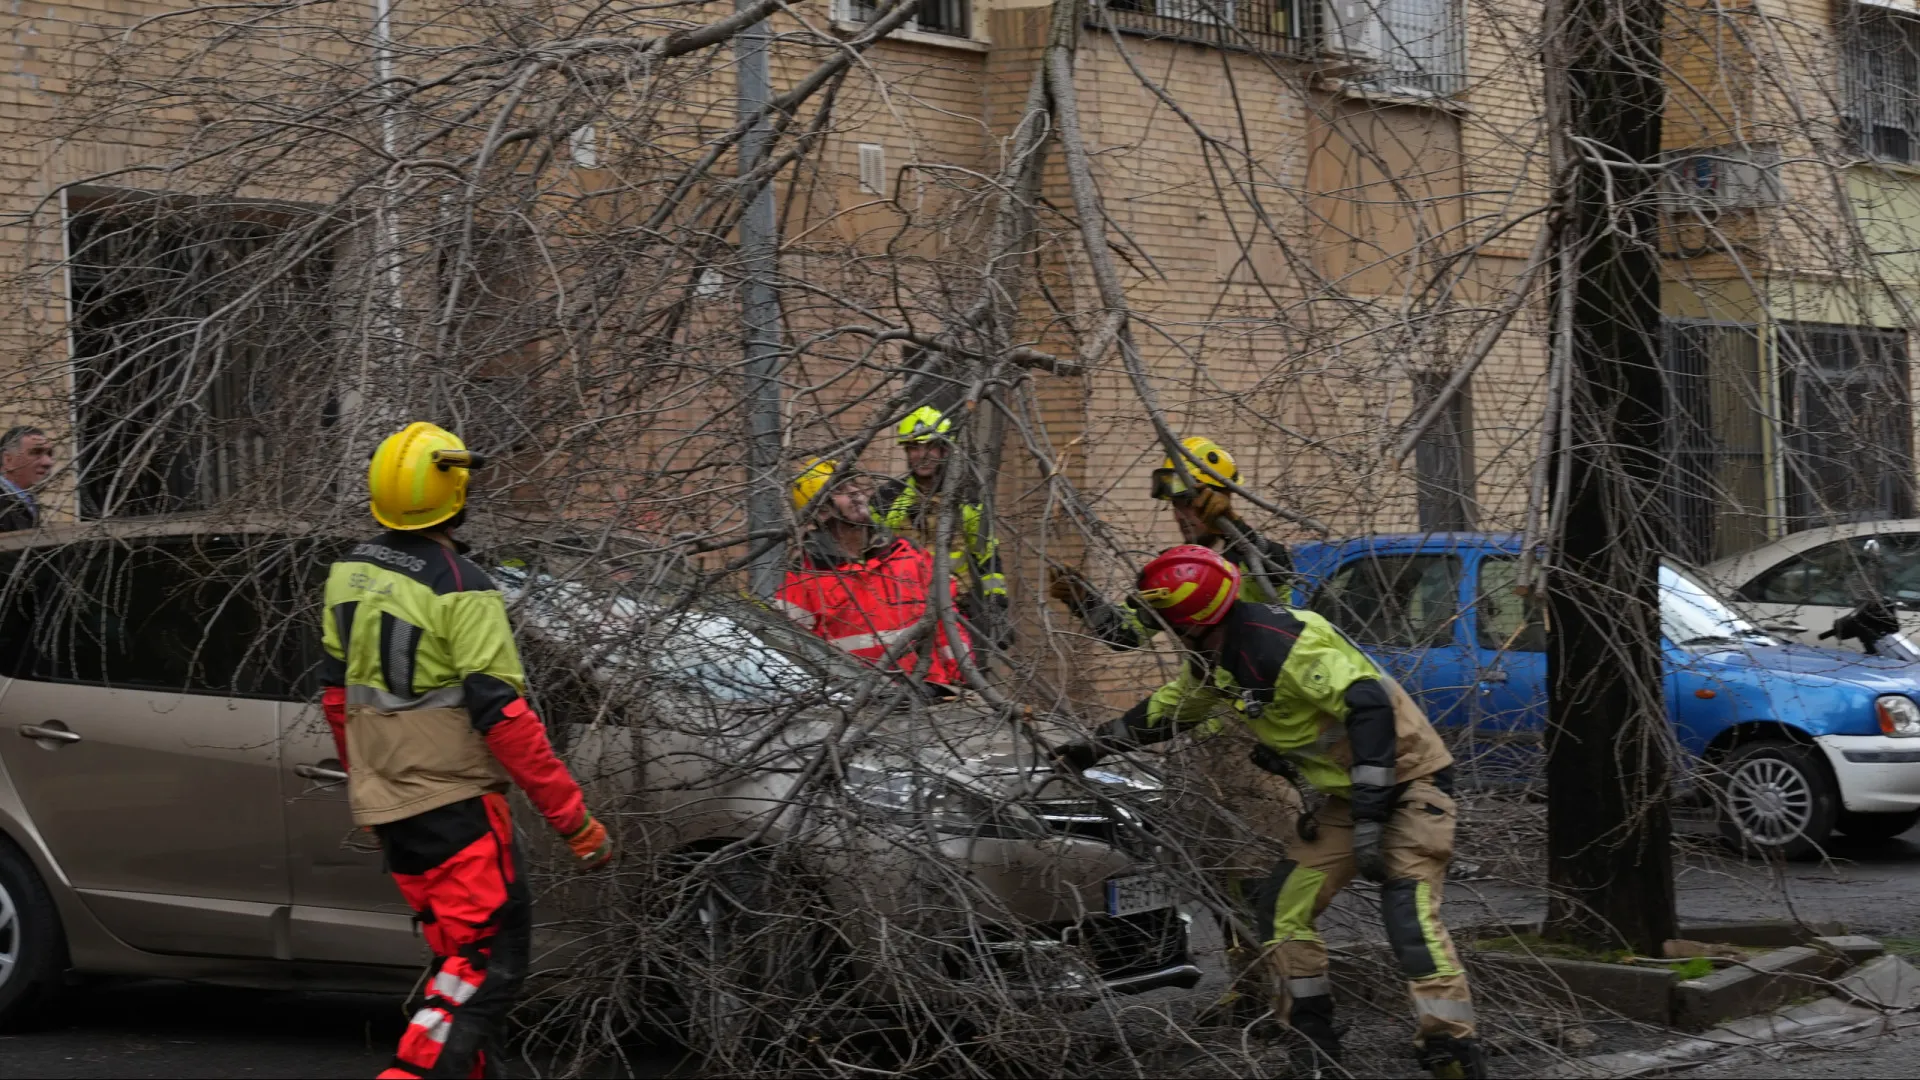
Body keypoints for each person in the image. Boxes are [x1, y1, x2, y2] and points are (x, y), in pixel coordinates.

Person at [1051, 546, 1484, 1079]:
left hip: (1412, 784)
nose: (1157, 626)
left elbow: (1369, 704)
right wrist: (1093, 748)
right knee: (1282, 911)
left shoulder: (1281, 646)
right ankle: (1312, 1048)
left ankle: (1451, 1052)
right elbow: (1174, 708)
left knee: (1409, 918)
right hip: (1351, 798)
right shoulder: (1220, 657)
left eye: (1163, 617)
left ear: (1190, 618)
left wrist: (1372, 818)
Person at [319, 421, 612, 1080]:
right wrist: (575, 822)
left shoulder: (350, 573)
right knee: (483, 972)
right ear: (452, 492)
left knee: (457, 968)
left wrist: (370, 794)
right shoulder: (462, 585)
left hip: (396, 809)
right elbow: (507, 720)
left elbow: (336, 700)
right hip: (456, 810)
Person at [1047, 436, 1293, 649]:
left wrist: (1235, 527)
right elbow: (1126, 634)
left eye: (1188, 502)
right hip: (1213, 690)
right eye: (1175, 504)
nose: (1180, 515)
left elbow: (1277, 570)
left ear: (1223, 496)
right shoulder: (1181, 571)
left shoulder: (1252, 556)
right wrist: (1084, 600)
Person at [777, 457, 973, 690]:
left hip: (933, 697)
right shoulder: (803, 580)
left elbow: (947, 625)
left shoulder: (906, 555)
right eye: (840, 489)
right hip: (858, 707)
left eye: (853, 484)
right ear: (822, 512)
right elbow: (793, 655)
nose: (855, 493)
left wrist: (963, 680)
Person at [872, 406, 1010, 648]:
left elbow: (988, 558)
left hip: (954, 611)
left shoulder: (966, 500)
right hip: (900, 612)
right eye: (914, 447)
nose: (921, 455)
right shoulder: (888, 499)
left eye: (929, 446)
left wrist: (996, 608)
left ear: (944, 449)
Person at [0, 426, 54, 531]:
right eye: (36, 452)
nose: (48, 462)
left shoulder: (28, 504)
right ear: (8, 460)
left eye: (49, 454)